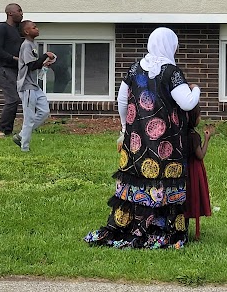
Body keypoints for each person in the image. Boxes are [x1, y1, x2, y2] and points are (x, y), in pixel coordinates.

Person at [86, 27, 200, 249]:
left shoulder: (134, 68)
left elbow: (121, 101)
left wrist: (124, 125)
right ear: (170, 45)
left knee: (136, 177)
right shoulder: (171, 72)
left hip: (136, 139)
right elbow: (187, 102)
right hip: (167, 140)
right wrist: (197, 91)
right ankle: (160, 229)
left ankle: (132, 224)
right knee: (163, 179)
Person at [13, 20, 55, 152]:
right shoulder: (26, 45)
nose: (37, 29)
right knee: (29, 118)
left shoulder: (32, 44)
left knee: (44, 112)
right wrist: (45, 56)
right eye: (34, 27)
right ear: (27, 31)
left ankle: (21, 135)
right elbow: (31, 65)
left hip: (34, 86)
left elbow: (33, 65)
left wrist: (43, 64)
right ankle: (24, 148)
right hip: (26, 86)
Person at [0, 3, 24, 139]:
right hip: (4, 69)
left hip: (13, 70)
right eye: (19, 11)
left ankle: (7, 130)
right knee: (13, 99)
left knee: (15, 100)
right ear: (10, 13)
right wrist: (14, 59)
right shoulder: (2, 28)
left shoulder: (16, 30)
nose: (22, 13)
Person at [185, 105, 212, 241]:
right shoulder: (194, 136)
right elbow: (200, 155)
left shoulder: (179, 133)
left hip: (182, 169)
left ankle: (181, 226)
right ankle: (192, 231)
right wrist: (207, 140)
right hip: (193, 170)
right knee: (193, 195)